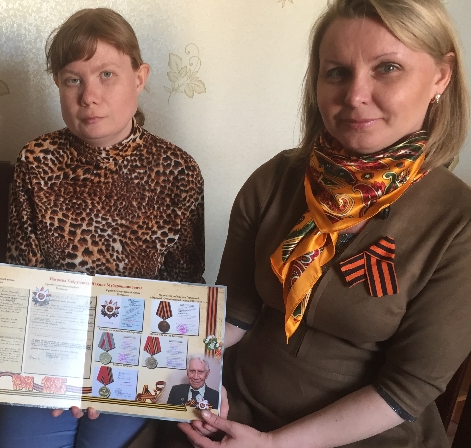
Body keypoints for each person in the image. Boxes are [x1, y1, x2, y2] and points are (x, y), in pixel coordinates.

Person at [179, 0, 471, 447]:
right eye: (336, 72)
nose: (355, 95)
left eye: (387, 68)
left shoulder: (458, 223)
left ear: (441, 76)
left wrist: (274, 445)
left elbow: (406, 390)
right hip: (238, 408)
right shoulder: (275, 179)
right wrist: (201, 378)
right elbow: (234, 314)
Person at [0, 7, 205, 448]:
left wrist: (117, 375)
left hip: (138, 360)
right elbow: (24, 281)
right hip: (49, 355)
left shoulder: (179, 170)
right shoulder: (36, 161)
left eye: (106, 75)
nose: (89, 96)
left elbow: (184, 288)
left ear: (139, 77)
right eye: (73, 79)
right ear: (58, 84)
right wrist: (64, 374)